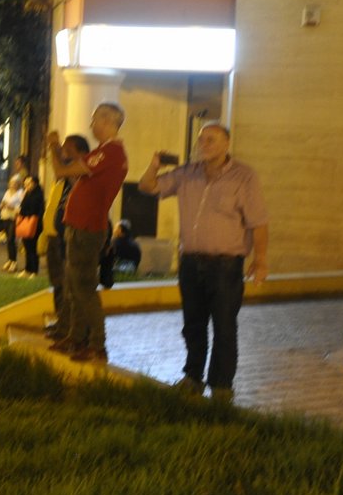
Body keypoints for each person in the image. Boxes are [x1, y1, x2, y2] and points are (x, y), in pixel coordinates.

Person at [138, 122, 269, 402]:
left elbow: (258, 222)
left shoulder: (243, 177)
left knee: (224, 326)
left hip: (225, 266)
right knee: (192, 325)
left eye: (211, 140)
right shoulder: (187, 173)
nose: (204, 145)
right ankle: (192, 377)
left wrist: (260, 260)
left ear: (226, 144)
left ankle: (221, 386)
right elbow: (147, 186)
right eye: (201, 140)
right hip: (190, 263)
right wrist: (155, 165)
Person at [47, 102, 129, 363]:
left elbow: (61, 171)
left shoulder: (110, 153)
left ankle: (96, 345)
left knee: (83, 288)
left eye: (95, 119)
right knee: (74, 285)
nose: (92, 125)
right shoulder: (104, 152)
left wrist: (53, 146)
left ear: (107, 121)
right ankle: (75, 337)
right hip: (80, 227)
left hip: (86, 230)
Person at [40, 135, 88, 332]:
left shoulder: (81, 171)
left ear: (80, 152)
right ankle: (62, 322)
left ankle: (72, 327)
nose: (64, 153)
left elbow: (62, 170)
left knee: (68, 283)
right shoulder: (65, 175)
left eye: (68, 149)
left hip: (69, 236)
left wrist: (53, 147)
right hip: (54, 234)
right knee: (57, 281)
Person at [17, 175, 46, 278]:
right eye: (25, 184)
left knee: (33, 248)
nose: (26, 186)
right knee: (27, 247)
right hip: (27, 223)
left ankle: (34, 270)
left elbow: (33, 210)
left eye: (29, 183)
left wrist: (23, 212)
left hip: (35, 225)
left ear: (35, 183)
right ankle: (27, 269)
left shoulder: (38, 194)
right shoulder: (27, 193)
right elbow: (23, 207)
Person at [0, 173, 25, 272]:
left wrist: (12, 207)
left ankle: (14, 262)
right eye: (11, 183)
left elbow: (22, 207)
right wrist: (1, 205)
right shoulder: (7, 192)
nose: (12, 185)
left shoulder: (21, 193)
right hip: (5, 216)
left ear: (18, 184)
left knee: (11, 239)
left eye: (14, 183)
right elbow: (3, 201)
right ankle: (9, 259)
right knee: (8, 240)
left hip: (14, 218)